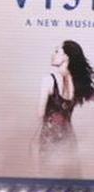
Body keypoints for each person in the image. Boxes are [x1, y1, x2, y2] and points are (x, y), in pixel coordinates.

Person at [35, 40, 93, 177]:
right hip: (68, 137)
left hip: (49, 136)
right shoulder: (79, 83)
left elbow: (40, 113)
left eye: (57, 51)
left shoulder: (48, 80)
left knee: (49, 179)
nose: (53, 54)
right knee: (69, 178)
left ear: (66, 57)